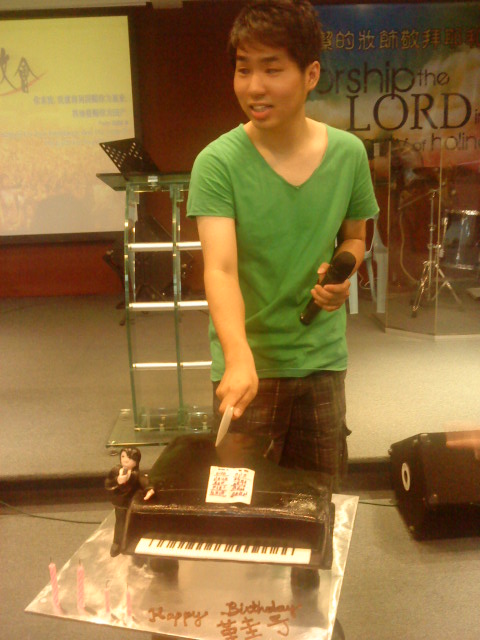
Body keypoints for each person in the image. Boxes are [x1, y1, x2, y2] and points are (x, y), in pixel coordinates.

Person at [187, 0, 379, 494]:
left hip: (322, 359)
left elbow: (355, 237)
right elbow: (220, 269)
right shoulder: (217, 162)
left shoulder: (348, 154)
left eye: (272, 69)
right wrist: (237, 356)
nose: (254, 86)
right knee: (239, 509)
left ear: (310, 74)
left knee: (319, 502)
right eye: (243, 69)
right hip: (248, 365)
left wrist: (342, 274)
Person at [105, 447, 144, 557]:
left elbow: (144, 483)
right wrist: (117, 481)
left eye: (130, 458)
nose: (125, 460)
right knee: (120, 522)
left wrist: (150, 489)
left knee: (133, 523)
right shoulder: (115, 470)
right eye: (123, 456)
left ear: (136, 461)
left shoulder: (136, 474)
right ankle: (117, 543)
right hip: (120, 503)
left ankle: (131, 542)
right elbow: (108, 483)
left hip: (132, 503)